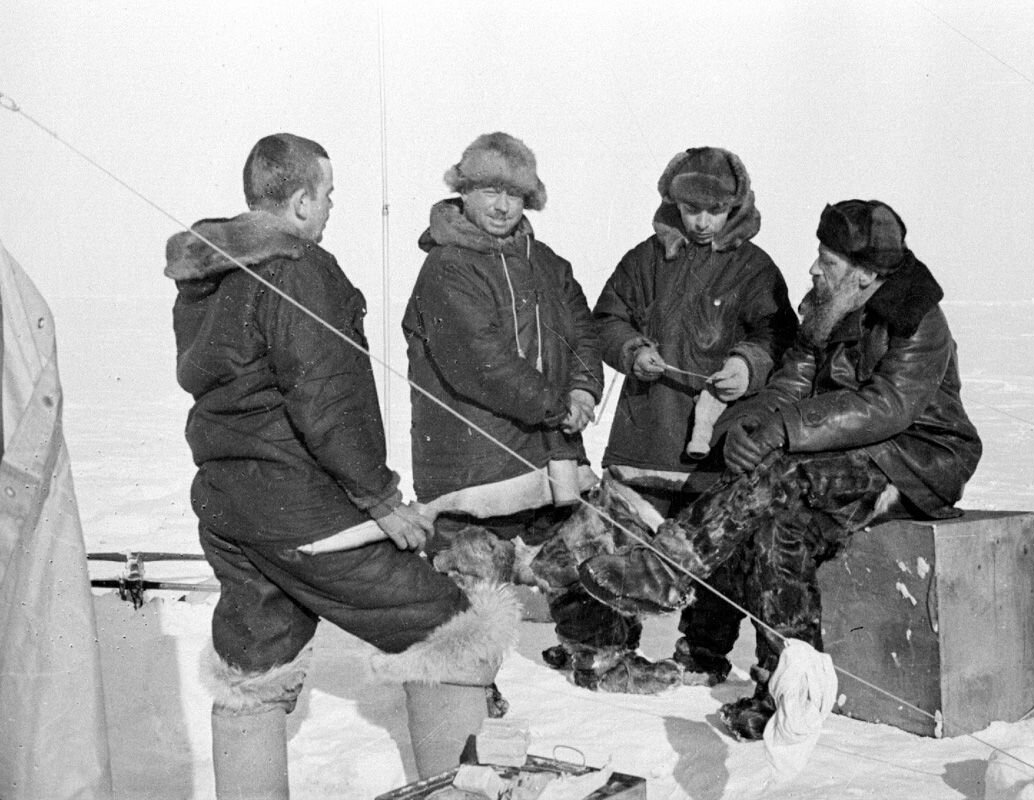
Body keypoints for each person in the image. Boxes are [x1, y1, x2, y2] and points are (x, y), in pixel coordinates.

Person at [165, 133, 518, 796]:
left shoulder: (207, 278)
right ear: (300, 201)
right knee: (451, 623)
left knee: (254, 665)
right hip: (304, 508)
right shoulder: (298, 267)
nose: (330, 208)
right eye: (326, 195)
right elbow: (328, 398)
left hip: (227, 506)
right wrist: (382, 499)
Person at [579, 199, 982, 740]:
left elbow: (886, 407)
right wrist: (747, 428)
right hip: (840, 454)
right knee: (776, 529)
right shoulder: (828, 306)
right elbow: (791, 384)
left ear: (865, 276)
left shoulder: (918, 320)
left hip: (914, 460)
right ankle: (787, 689)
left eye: (829, 262)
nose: (815, 269)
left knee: (785, 477)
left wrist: (785, 432)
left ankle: (667, 567)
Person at [403, 132, 652, 691]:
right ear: (462, 191)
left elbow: (583, 332)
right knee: (472, 573)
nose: (500, 206)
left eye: (513, 195)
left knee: (585, 550)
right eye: (487, 190)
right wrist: (553, 405)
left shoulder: (549, 265)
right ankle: (462, 692)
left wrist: (584, 391)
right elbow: (479, 359)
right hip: (474, 462)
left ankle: (600, 659)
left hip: (546, 451)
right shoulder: (445, 270)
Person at [585, 146, 798, 689]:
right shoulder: (644, 260)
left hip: (718, 438)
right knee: (625, 540)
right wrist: (631, 348)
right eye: (690, 209)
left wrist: (748, 366)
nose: (702, 221)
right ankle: (611, 648)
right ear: (672, 203)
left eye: (715, 210)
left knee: (714, 551)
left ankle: (703, 651)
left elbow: (778, 336)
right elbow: (606, 318)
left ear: (737, 207)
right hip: (645, 431)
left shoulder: (755, 268)